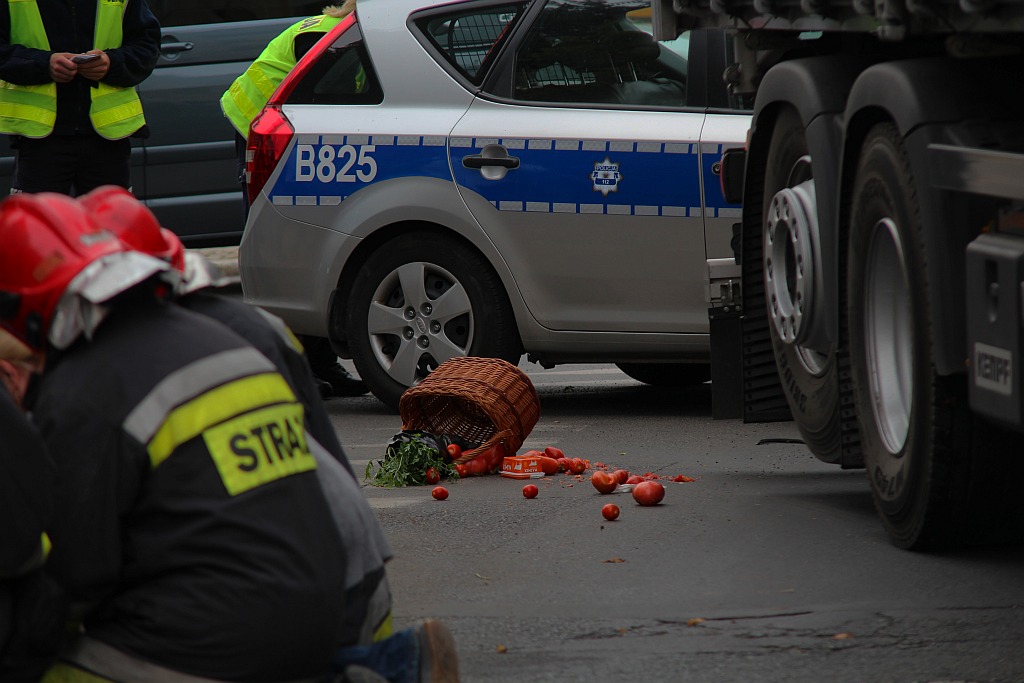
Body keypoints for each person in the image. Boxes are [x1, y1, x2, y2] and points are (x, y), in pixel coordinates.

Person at [79, 185, 460, 683]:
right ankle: (384, 663)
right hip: (354, 572)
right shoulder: (257, 326)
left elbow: (87, 557)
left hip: (280, 600)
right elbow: (328, 464)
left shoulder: (102, 371)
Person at [0, 192, 352, 680]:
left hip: (216, 641)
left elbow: (78, 578)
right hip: (325, 619)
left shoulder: (81, 390)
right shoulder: (216, 336)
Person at [220, 1, 368, 399]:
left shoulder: (350, 32)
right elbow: (322, 103)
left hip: (286, 132)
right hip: (263, 132)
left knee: (307, 247)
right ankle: (291, 366)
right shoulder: (329, 37)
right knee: (281, 246)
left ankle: (320, 364)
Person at [0, 0, 161, 195]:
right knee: (39, 216)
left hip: (107, 140)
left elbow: (146, 46)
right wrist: (44, 64)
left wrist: (111, 63)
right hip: (40, 141)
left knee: (112, 215)